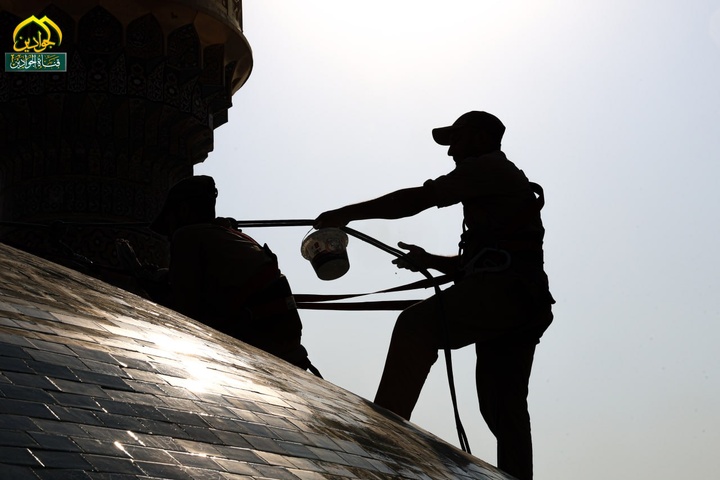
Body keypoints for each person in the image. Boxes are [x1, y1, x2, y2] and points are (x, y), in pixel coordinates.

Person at [314, 111, 553, 480]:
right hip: (521, 301)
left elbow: (416, 200)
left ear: (478, 137)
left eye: (456, 140)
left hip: (506, 294)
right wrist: (430, 261)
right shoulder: (500, 179)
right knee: (503, 408)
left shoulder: (489, 169)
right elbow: (485, 261)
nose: (451, 151)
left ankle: (382, 436)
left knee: (416, 325)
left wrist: (345, 214)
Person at [148, 175, 321, 376]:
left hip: (260, 345)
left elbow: (186, 312)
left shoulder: (187, 236)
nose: (168, 235)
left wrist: (148, 286)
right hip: (286, 345)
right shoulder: (230, 236)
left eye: (168, 224)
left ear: (183, 211)